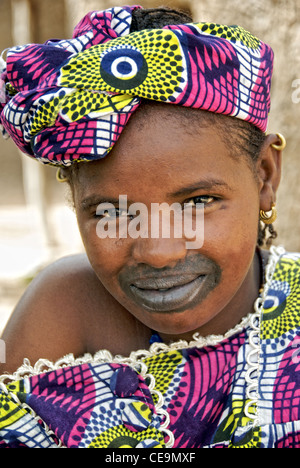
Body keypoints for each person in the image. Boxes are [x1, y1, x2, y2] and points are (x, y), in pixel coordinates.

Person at [0, 4, 299, 449]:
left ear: (264, 177)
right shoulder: (61, 313)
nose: (159, 252)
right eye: (114, 213)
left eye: (198, 202)